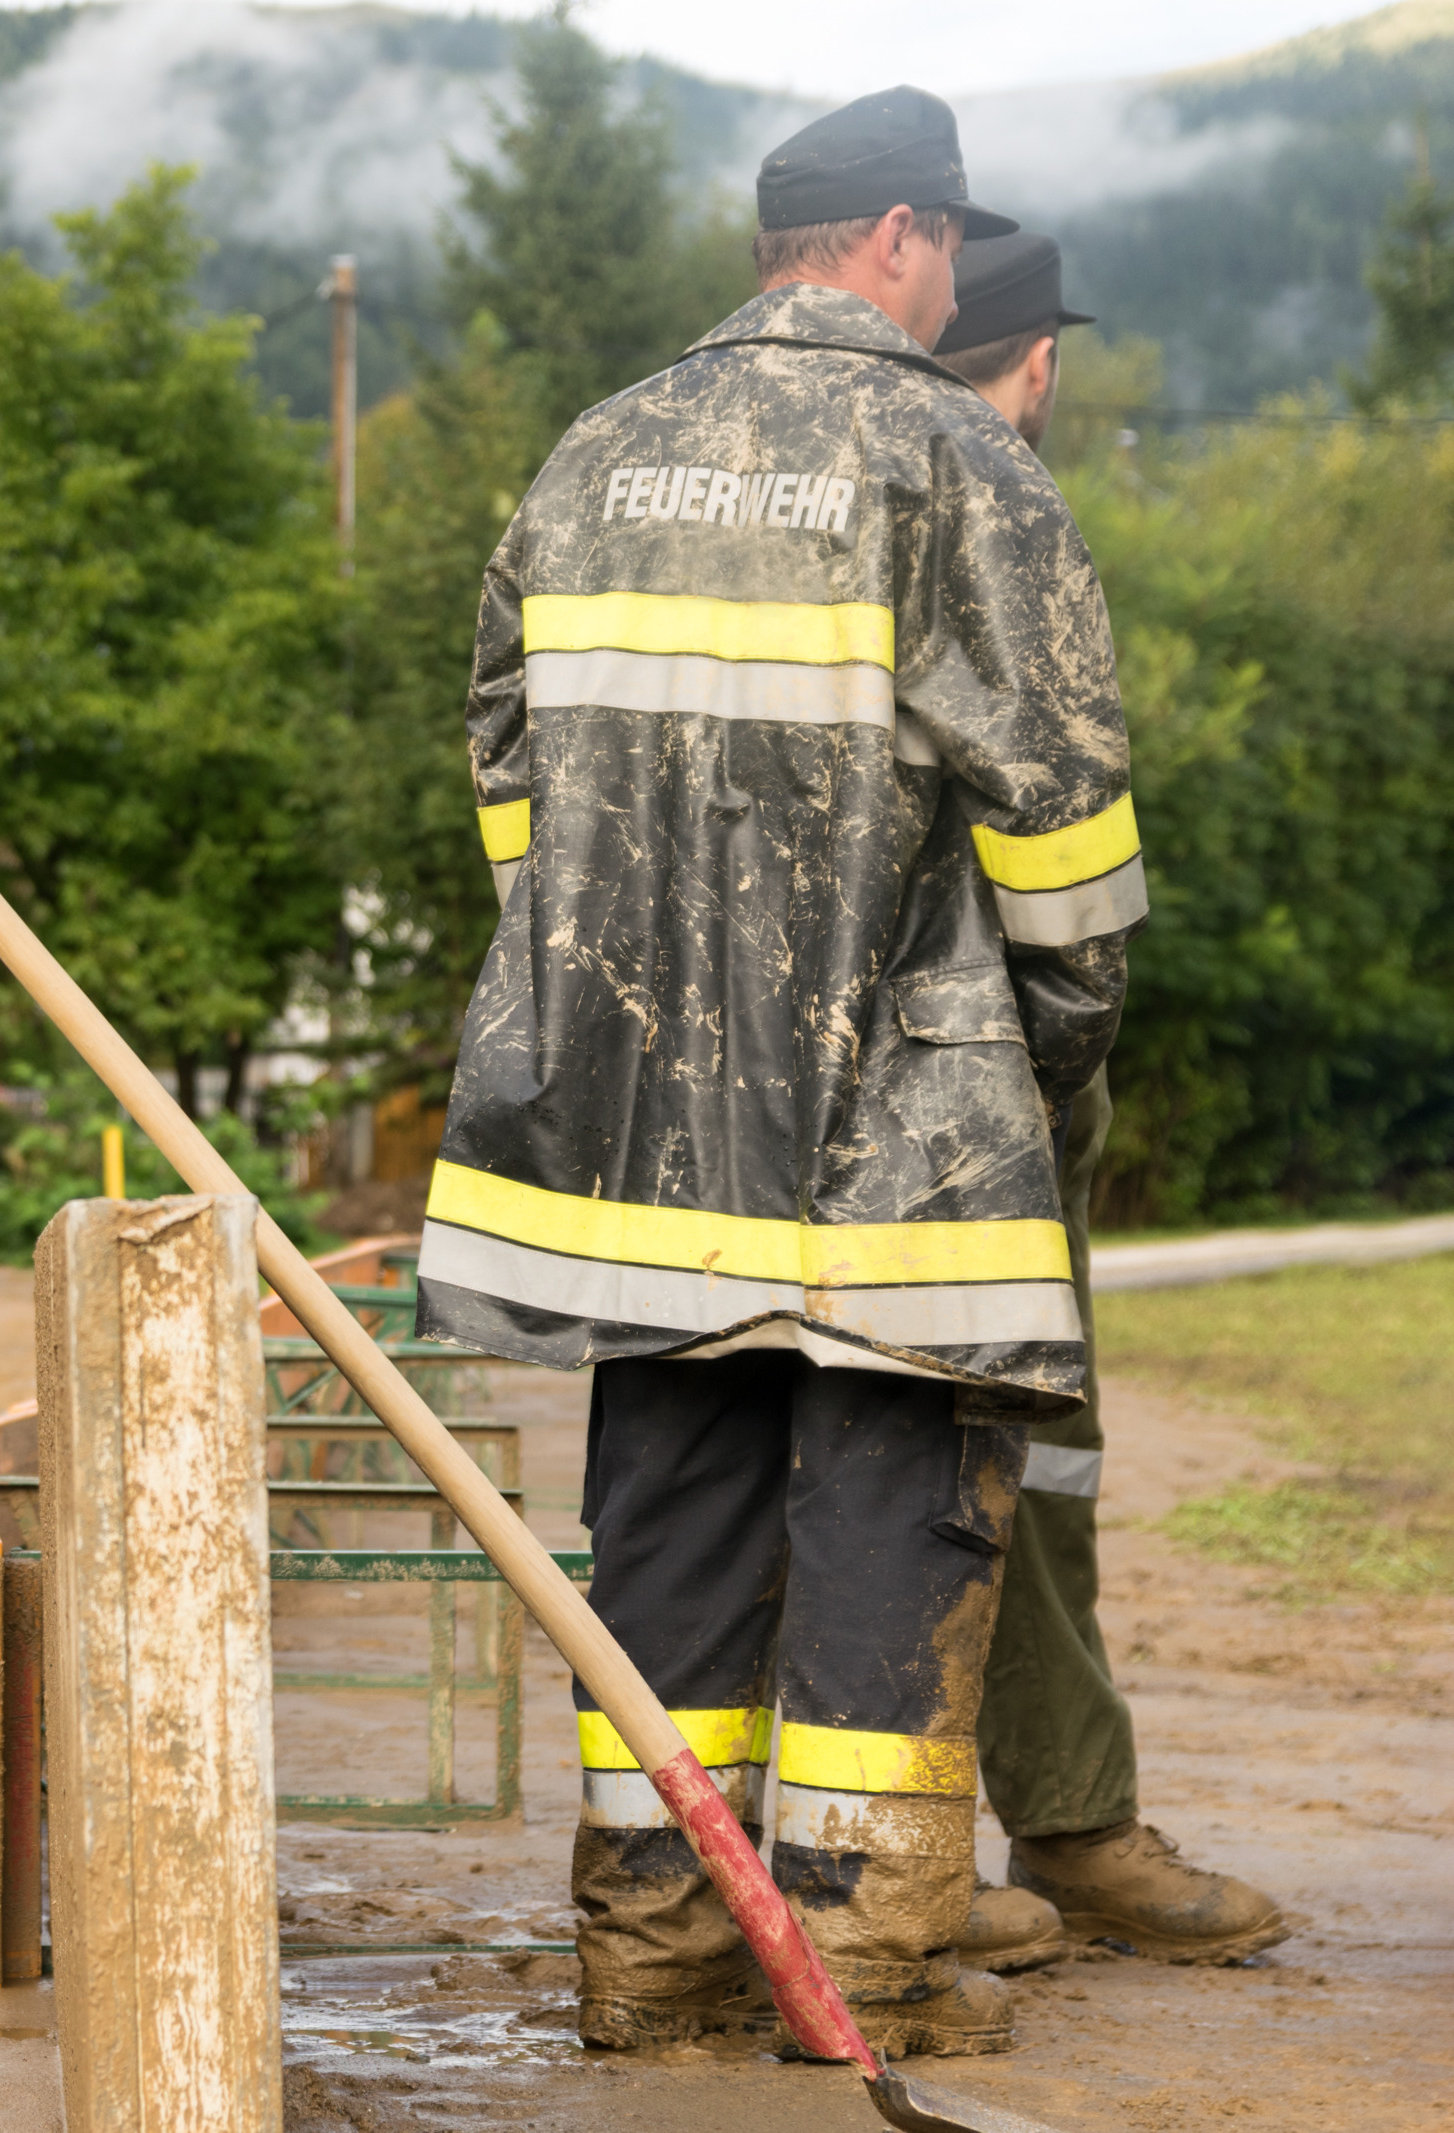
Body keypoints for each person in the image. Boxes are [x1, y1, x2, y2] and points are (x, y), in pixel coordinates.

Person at [418, 86, 1146, 2059]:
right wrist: (1041, 1069)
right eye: (943, 244)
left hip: (626, 1148)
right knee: (885, 1540)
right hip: (893, 1153)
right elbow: (1065, 852)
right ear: (904, 237)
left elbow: (511, 789)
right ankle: (856, 1974)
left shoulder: (587, 459)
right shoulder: (950, 461)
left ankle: (650, 1958)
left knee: (663, 1528)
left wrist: (599, 991)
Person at [931, 234, 1292, 1973]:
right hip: (968, 1075)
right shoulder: (994, 514)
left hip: (928, 1070)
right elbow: (1070, 867)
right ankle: (995, 1847)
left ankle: (1054, 1822)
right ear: (1039, 362)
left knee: (1016, 1456)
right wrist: (1043, 1081)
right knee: (956, 1461)